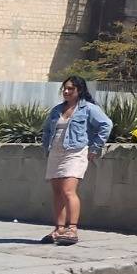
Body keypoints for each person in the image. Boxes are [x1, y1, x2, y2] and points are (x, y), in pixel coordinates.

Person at [40, 76, 112, 246]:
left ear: (79, 90)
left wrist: (94, 148)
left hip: (75, 152)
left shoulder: (88, 109)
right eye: (64, 88)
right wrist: (46, 148)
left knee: (68, 191)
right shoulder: (57, 110)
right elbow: (47, 130)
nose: (66, 91)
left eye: (70, 89)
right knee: (57, 191)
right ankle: (59, 229)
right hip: (56, 152)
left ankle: (72, 229)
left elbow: (106, 124)